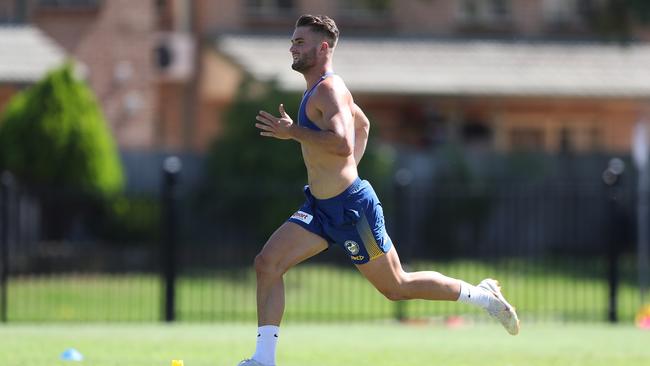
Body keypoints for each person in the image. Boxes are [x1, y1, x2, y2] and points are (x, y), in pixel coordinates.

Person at [239, 14, 519, 366]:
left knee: (397, 287)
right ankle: (263, 360)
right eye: (293, 41)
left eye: (299, 42)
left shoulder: (328, 88)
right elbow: (364, 124)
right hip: (320, 208)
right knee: (267, 264)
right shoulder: (319, 89)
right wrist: (345, 171)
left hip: (350, 210)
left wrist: (294, 132)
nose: (292, 47)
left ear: (323, 47)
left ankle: (483, 297)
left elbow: (342, 142)